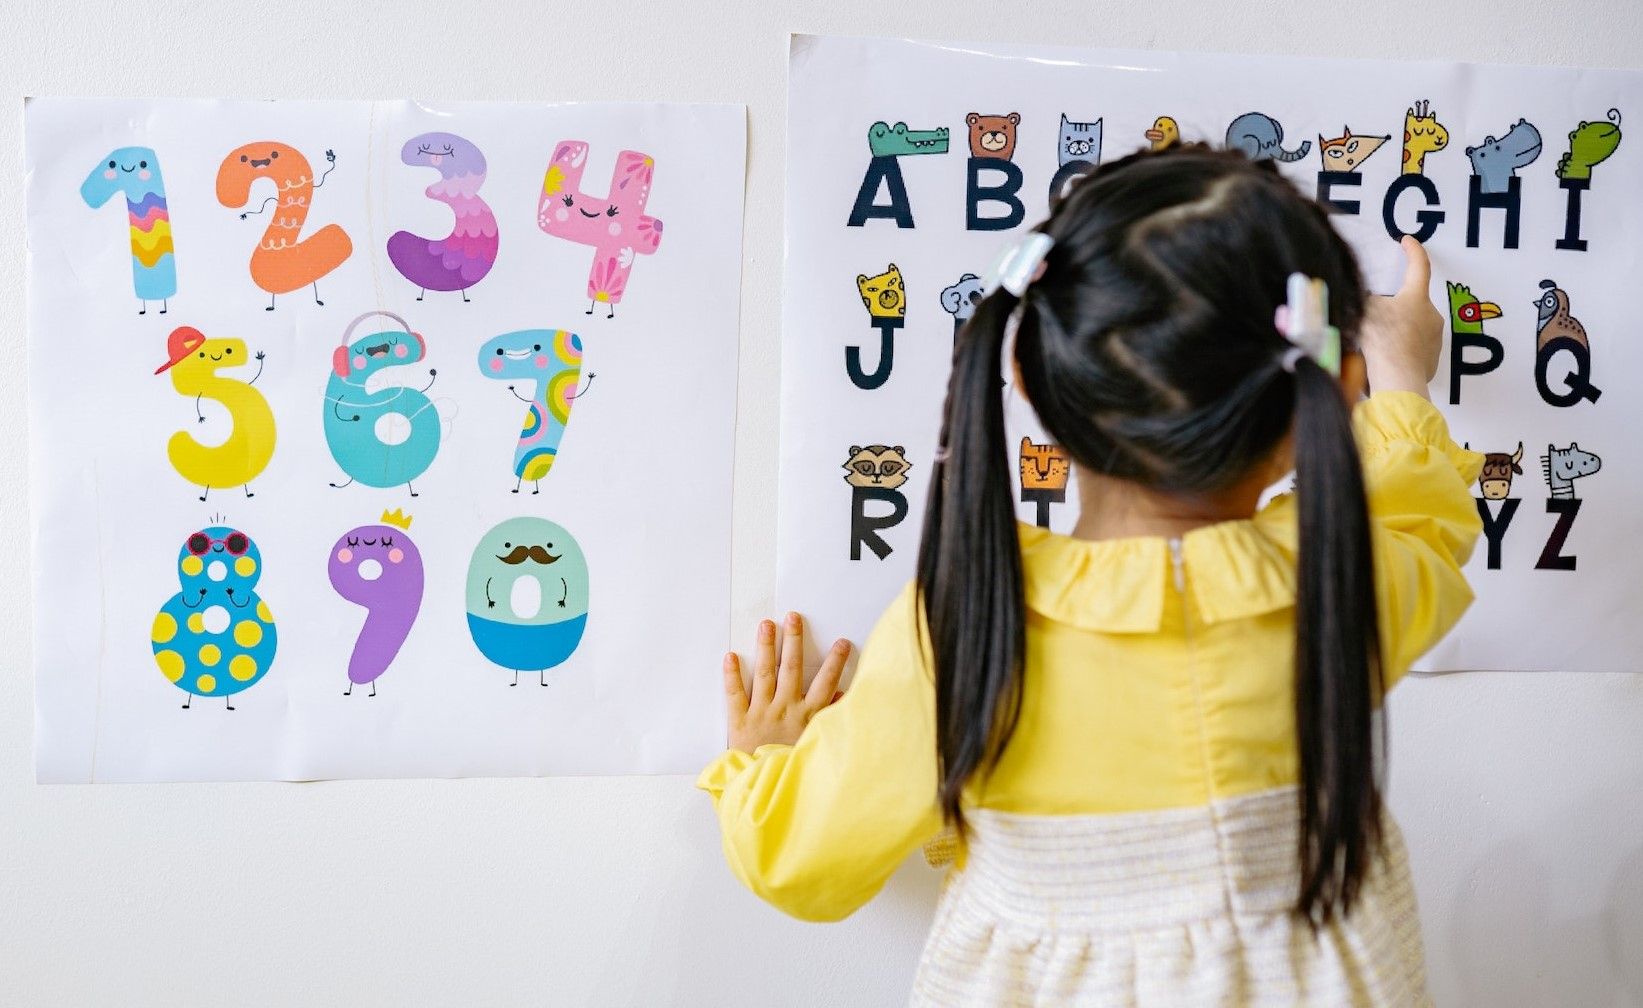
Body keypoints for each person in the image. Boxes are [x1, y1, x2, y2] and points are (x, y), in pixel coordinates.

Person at [698, 144, 1483, 1006]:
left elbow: (798, 858)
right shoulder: (1345, 578)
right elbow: (1418, 515)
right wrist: (1403, 379)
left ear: (1024, 373)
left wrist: (762, 763)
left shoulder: (964, 631)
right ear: (1332, 386)